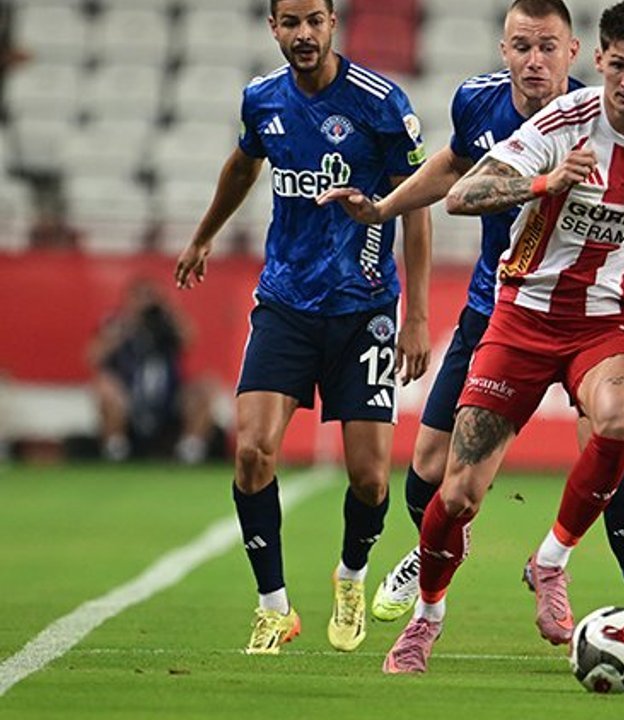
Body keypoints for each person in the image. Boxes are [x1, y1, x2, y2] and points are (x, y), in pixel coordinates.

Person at [378, 0, 624, 674]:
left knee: (619, 421)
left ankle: (551, 560)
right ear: (599, 60)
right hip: (523, 314)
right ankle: (427, 618)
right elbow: (462, 194)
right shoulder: (563, 122)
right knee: (457, 492)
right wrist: (545, 180)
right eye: (617, 66)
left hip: (608, 319)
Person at [319, 0, 624, 675]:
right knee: (431, 472)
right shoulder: (478, 101)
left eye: (548, 47)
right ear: (504, 49)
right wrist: (384, 208)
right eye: (522, 46)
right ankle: (433, 557)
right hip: (496, 310)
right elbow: (452, 168)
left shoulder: (600, 119)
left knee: (611, 457)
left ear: (575, 52)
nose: (535, 60)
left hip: (588, 316)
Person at [173, 0, 431, 655]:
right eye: (290, 23)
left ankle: (351, 576)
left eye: (315, 20)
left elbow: (417, 206)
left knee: (370, 479)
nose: (304, 34)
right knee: (252, 451)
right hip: (286, 303)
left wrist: (417, 315)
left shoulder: (379, 102)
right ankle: (274, 608)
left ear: (333, 22)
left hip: (365, 310)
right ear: (274, 28)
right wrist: (204, 236)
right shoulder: (262, 99)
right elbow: (243, 164)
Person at [88, 278, 218, 464]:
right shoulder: (116, 323)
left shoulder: (165, 325)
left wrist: (168, 310)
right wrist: (126, 326)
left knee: (206, 386)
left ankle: (191, 450)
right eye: (139, 298)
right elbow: (93, 357)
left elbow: (190, 339)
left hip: (168, 397)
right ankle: (115, 449)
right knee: (104, 385)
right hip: (129, 397)